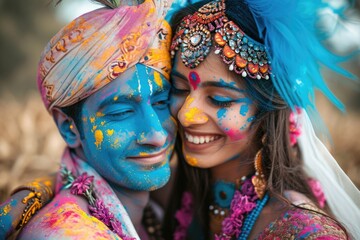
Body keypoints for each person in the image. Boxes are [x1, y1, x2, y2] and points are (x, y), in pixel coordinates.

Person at [163, 0, 360, 239]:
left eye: (218, 99)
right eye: (180, 89)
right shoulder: (160, 191)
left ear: (267, 110)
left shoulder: (305, 233)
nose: (186, 115)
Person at [0, 0, 177, 239]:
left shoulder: (162, 205)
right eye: (121, 112)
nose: (157, 135)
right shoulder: (67, 233)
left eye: (161, 103)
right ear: (68, 127)